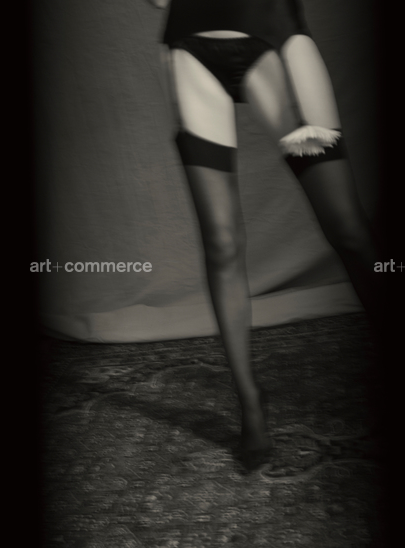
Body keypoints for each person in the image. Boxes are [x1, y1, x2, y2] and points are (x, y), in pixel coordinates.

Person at [146, 0, 382, 470]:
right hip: (190, 44)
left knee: (349, 230)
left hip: (271, 33)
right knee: (221, 243)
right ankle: (250, 404)